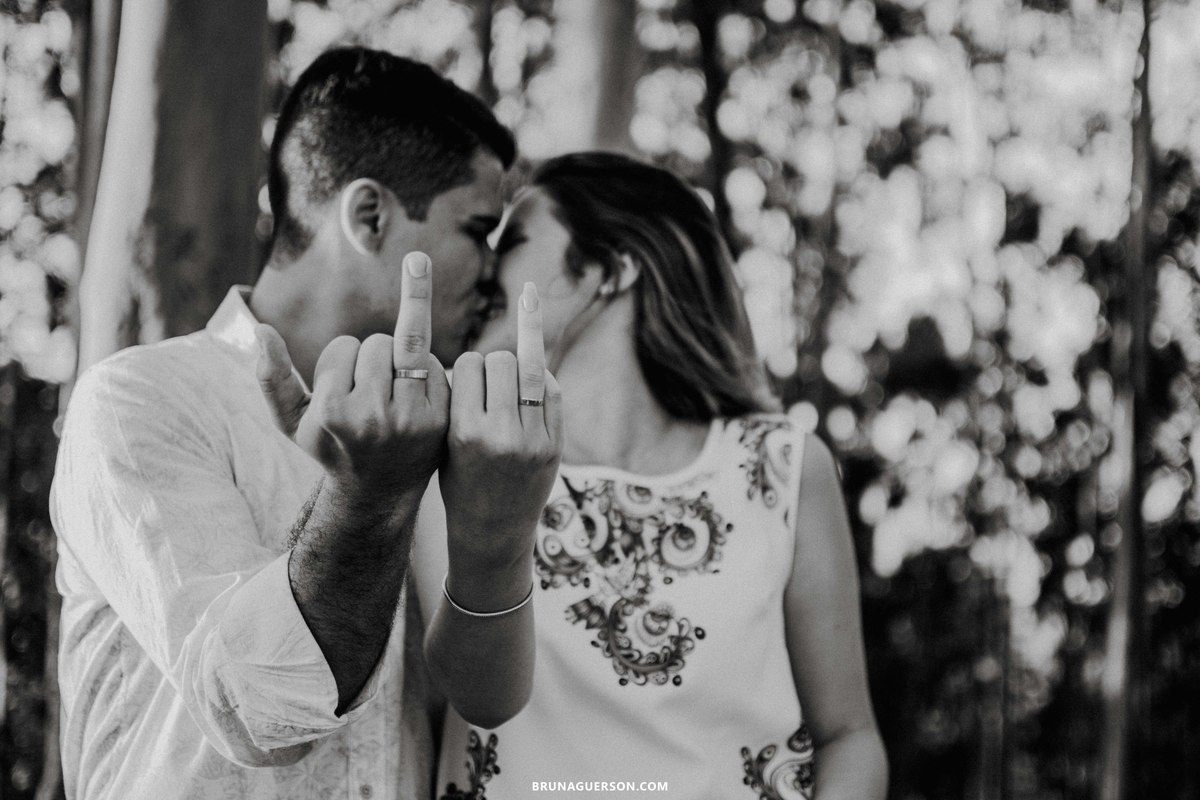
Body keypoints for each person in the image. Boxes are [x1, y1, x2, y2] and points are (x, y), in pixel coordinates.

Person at [51, 47, 560, 800]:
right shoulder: (139, 402)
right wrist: (368, 498)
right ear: (368, 215)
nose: (493, 273)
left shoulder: (456, 432)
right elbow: (258, 714)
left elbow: (479, 712)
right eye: (477, 230)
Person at [419, 152, 888, 800]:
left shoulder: (780, 468)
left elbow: (849, 736)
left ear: (609, 270)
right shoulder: (448, 459)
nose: (484, 263)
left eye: (517, 239)